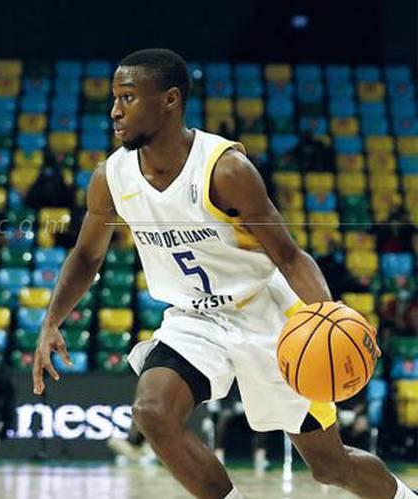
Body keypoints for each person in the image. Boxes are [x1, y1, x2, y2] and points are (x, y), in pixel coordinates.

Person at [32, 49, 416, 499]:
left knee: (331, 467)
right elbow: (85, 256)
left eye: (129, 97)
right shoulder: (110, 178)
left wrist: (324, 316)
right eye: (115, 98)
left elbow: (289, 256)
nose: (115, 110)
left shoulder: (225, 169)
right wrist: (51, 319)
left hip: (266, 315)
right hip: (195, 319)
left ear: (170, 100)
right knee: (152, 411)